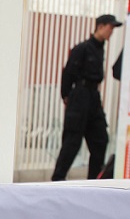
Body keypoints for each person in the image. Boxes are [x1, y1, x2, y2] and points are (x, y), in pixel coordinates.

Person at [51, 14, 123, 181]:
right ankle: (57, 180)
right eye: (110, 27)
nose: (111, 31)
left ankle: (94, 182)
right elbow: (68, 74)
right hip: (79, 97)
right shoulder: (82, 48)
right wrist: (67, 96)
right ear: (100, 26)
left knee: (100, 140)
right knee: (71, 143)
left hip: (93, 99)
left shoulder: (100, 48)